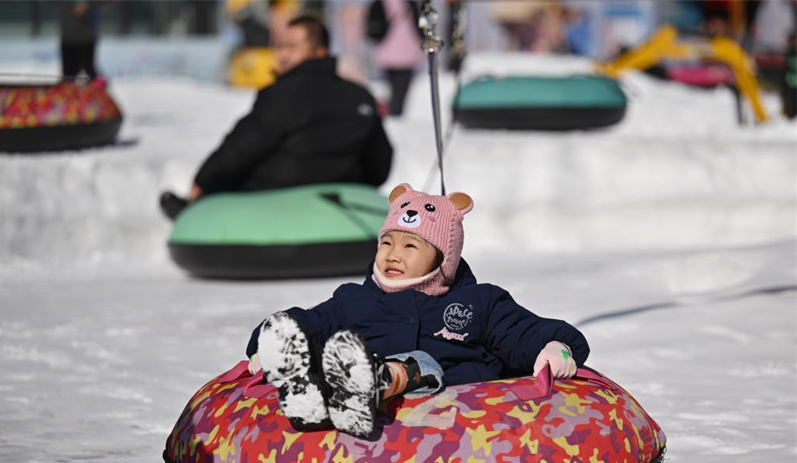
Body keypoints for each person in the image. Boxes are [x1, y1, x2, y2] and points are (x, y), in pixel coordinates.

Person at [246, 183, 589, 439]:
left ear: (443, 259)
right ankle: (317, 392)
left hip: (451, 401)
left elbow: (521, 331)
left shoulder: (477, 303)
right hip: (359, 380)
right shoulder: (355, 300)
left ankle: (376, 380)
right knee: (322, 344)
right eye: (386, 243)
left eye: (410, 246)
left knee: (420, 363)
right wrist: (270, 339)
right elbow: (312, 321)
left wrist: (554, 344)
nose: (393, 255)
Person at [160, 15, 393, 220]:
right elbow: (380, 161)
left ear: (319, 51)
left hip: (276, 191)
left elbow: (241, 148)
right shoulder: (359, 96)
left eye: (291, 47)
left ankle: (194, 213)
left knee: (229, 181)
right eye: (279, 47)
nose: (281, 55)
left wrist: (205, 181)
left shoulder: (281, 94)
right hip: (342, 191)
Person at [369, 0, 423, 116]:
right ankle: (393, 111)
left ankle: (393, 111)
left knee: (397, 88)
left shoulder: (409, 3)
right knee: (397, 88)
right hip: (396, 51)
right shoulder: (380, 4)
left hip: (398, 51)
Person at [58, 0, 101, 80]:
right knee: (68, 77)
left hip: (87, 37)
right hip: (67, 36)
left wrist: (88, 5)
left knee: (90, 72)